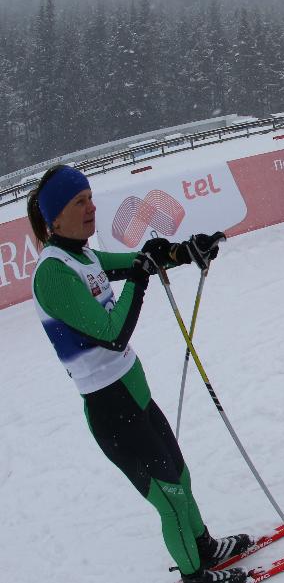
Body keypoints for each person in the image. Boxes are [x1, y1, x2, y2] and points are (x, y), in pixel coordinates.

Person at [27, 165, 252, 583]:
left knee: (179, 476)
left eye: (91, 198)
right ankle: (194, 575)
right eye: (79, 202)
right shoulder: (53, 273)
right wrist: (140, 277)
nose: (91, 208)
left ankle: (203, 546)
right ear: (55, 217)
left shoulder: (83, 256)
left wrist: (185, 250)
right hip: (111, 406)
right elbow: (113, 333)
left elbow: (140, 260)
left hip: (134, 391)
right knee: (169, 497)